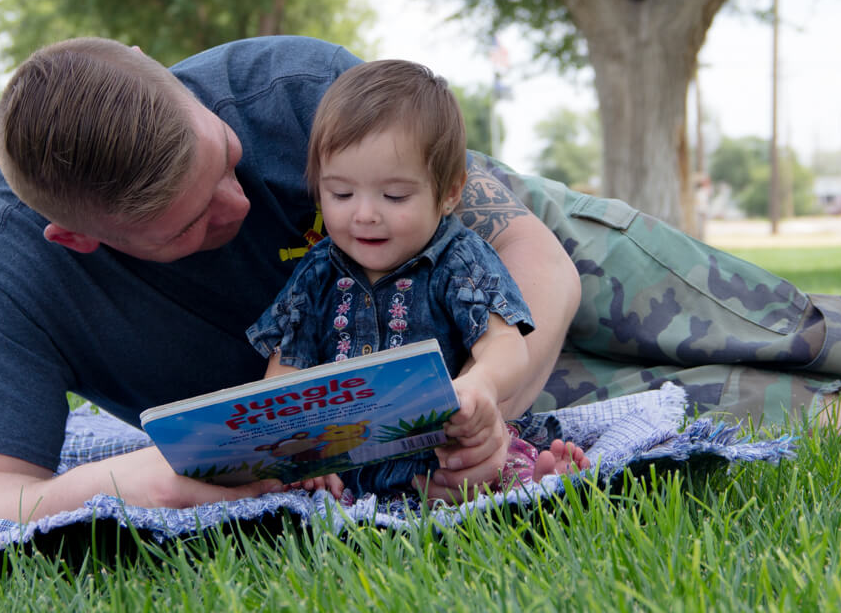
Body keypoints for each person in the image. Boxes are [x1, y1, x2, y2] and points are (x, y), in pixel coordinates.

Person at [0, 35, 841, 523]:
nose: (239, 206)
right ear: (78, 239)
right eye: (192, 222)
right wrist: (144, 480)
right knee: (803, 417)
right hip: (417, 400)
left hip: (528, 281)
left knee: (819, 334)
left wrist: (486, 390)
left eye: (226, 162)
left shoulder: (284, 89)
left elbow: (537, 269)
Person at [247, 59, 590, 498]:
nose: (365, 214)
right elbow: (287, 365)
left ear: (448, 192)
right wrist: (299, 449)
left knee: (484, 461)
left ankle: (533, 479)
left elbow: (505, 343)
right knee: (291, 490)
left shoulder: (458, 260)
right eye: (341, 193)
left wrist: (480, 383)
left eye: (394, 196)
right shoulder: (318, 273)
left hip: (439, 448)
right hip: (345, 456)